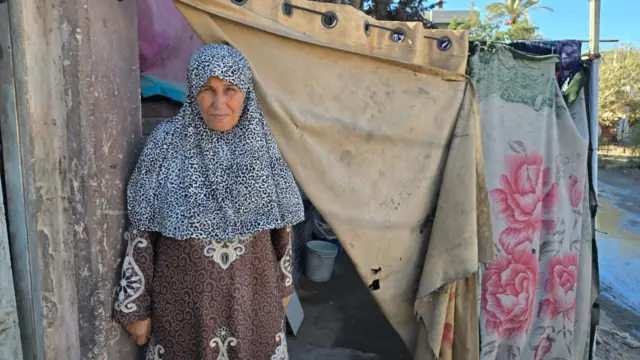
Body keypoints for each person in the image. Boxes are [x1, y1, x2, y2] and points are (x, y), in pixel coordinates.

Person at [113, 44, 304, 360]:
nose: (219, 103)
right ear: (192, 91)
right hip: (182, 307)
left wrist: (285, 288)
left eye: (230, 89)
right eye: (207, 89)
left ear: (245, 93)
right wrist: (136, 305)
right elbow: (142, 231)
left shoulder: (262, 145)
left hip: (254, 304)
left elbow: (280, 232)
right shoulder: (166, 143)